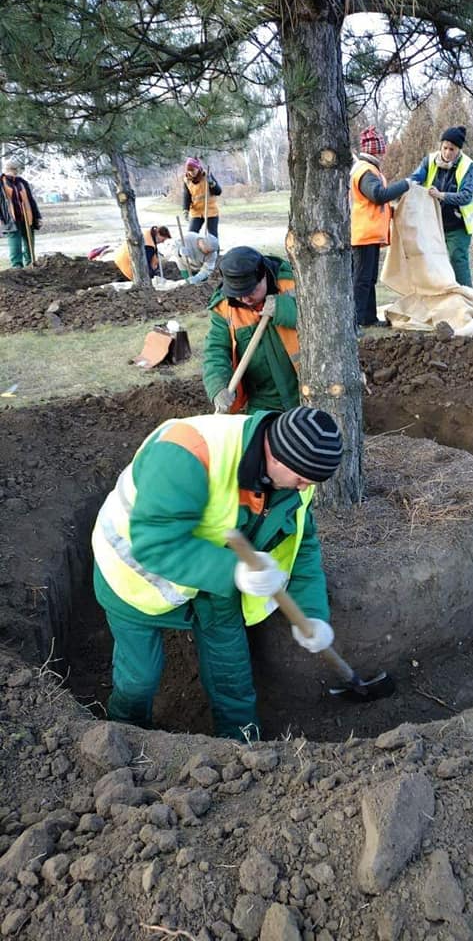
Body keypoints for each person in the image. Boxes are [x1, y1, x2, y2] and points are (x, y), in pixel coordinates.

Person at [91, 406, 343, 740]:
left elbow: (303, 547)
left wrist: (312, 615)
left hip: (215, 589)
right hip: (136, 583)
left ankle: (244, 750)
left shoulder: (297, 479)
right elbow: (154, 544)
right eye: (301, 479)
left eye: (311, 482)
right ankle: (124, 738)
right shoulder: (187, 453)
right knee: (140, 680)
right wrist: (235, 571)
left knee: (233, 678)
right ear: (276, 457)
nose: (304, 488)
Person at [203, 246, 300, 414]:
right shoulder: (225, 309)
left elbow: (325, 320)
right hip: (262, 402)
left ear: (264, 276)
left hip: (304, 391)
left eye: (252, 290)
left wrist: (285, 309)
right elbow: (215, 352)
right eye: (238, 293)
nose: (246, 299)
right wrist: (217, 387)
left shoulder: (292, 283)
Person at [350, 126, 410, 327]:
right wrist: (405, 185)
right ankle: (356, 322)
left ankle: (368, 318)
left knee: (369, 279)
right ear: (375, 150)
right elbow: (377, 195)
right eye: (381, 150)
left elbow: (377, 202)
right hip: (363, 234)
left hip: (370, 233)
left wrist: (393, 212)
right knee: (362, 280)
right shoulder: (365, 171)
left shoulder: (369, 169)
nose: (383, 155)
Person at [411, 125, 473, 287]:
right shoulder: (430, 161)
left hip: (458, 226)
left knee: (457, 260)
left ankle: (467, 301)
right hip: (434, 225)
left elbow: (466, 196)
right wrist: (403, 188)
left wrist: (441, 195)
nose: (447, 153)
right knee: (435, 264)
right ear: (440, 146)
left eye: (452, 149)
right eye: (445, 148)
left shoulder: (468, 167)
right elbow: (415, 178)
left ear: (459, 150)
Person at [0, 156, 42, 268]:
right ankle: (17, 266)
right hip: (11, 219)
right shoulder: (1, 183)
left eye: (14, 170)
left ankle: (30, 263)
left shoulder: (22, 182)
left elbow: (31, 200)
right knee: (15, 243)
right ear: (6, 170)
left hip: (27, 216)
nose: (13, 173)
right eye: (11, 170)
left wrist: (37, 217)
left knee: (29, 241)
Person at [183, 157, 222, 239]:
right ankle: (193, 251)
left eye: (193, 170)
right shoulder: (187, 180)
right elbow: (187, 196)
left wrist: (212, 183)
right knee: (191, 235)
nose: (191, 173)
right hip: (196, 212)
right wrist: (185, 210)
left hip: (210, 210)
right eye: (189, 171)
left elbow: (218, 192)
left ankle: (215, 252)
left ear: (197, 168)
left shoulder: (207, 175)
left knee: (212, 237)